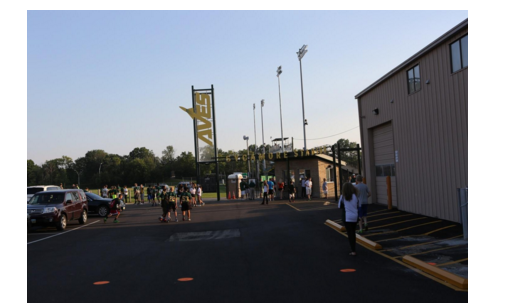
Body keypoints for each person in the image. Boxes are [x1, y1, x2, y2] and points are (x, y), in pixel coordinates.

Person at [338, 182, 360, 256]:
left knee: (350, 234)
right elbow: (358, 205)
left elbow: (339, 206)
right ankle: (354, 249)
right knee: (353, 233)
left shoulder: (343, 197)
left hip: (347, 217)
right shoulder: (355, 196)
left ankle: (353, 250)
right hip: (355, 216)